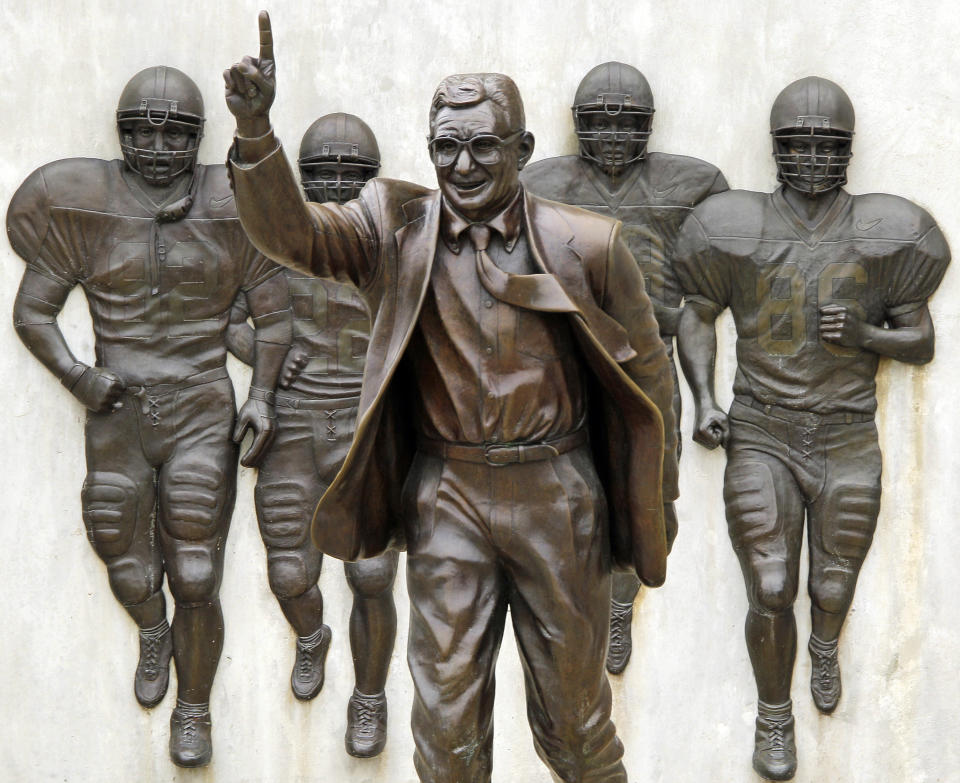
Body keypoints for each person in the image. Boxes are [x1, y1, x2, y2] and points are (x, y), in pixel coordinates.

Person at [223, 13, 678, 783]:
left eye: (483, 146)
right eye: (445, 147)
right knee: (445, 735)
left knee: (573, 729)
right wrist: (257, 132)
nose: (462, 165)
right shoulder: (391, 227)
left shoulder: (590, 245)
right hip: (448, 500)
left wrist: (649, 516)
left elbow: (649, 384)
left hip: (557, 497)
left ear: (524, 150)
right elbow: (292, 236)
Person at [7, 66, 289, 768]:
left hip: (199, 403)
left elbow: (277, 316)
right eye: (143, 129)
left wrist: (260, 396)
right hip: (118, 406)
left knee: (197, 567)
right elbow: (32, 310)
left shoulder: (234, 208)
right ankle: (151, 626)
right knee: (120, 549)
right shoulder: (85, 211)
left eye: (175, 132)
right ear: (121, 134)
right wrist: (78, 375)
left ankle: (193, 708)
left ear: (199, 138)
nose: (159, 145)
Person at [675, 76, 950, 780]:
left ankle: (822, 643)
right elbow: (698, 311)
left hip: (847, 432)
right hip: (762, 428)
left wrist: (866, 333)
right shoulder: (734, 225)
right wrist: (703, 398)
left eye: (827, 146)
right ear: (777, 148)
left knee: (829, 589)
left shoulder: (887, 230)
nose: (813, 158)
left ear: (848, 152)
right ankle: (774, 714)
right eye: (799, 144)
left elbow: (919, 339)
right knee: (768, 585)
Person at [521, 61, 727, 673]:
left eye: (626, 123)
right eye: (599, 122)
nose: (612, 135)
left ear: (647, 126)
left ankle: (621, 598)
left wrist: (703, 389)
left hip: (646, 359)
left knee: (649, 490)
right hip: (568, 356)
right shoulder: (543, 182)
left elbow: (705, 294)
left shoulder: (691, 184)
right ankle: (576, 603)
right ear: (577, 125)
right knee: (560, 489)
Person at [226, 112, 398, 757]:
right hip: (294, 423)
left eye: (348, 177)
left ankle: (370, 696)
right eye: (320, 176)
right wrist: (258, 349)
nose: (332, 188)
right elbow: (224, 316)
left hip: (364, 421)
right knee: (290, 573)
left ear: (370, 181)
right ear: (300, 180)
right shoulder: (270, 240)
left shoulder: (399, 246)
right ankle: (311, 635)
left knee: (374, 576)